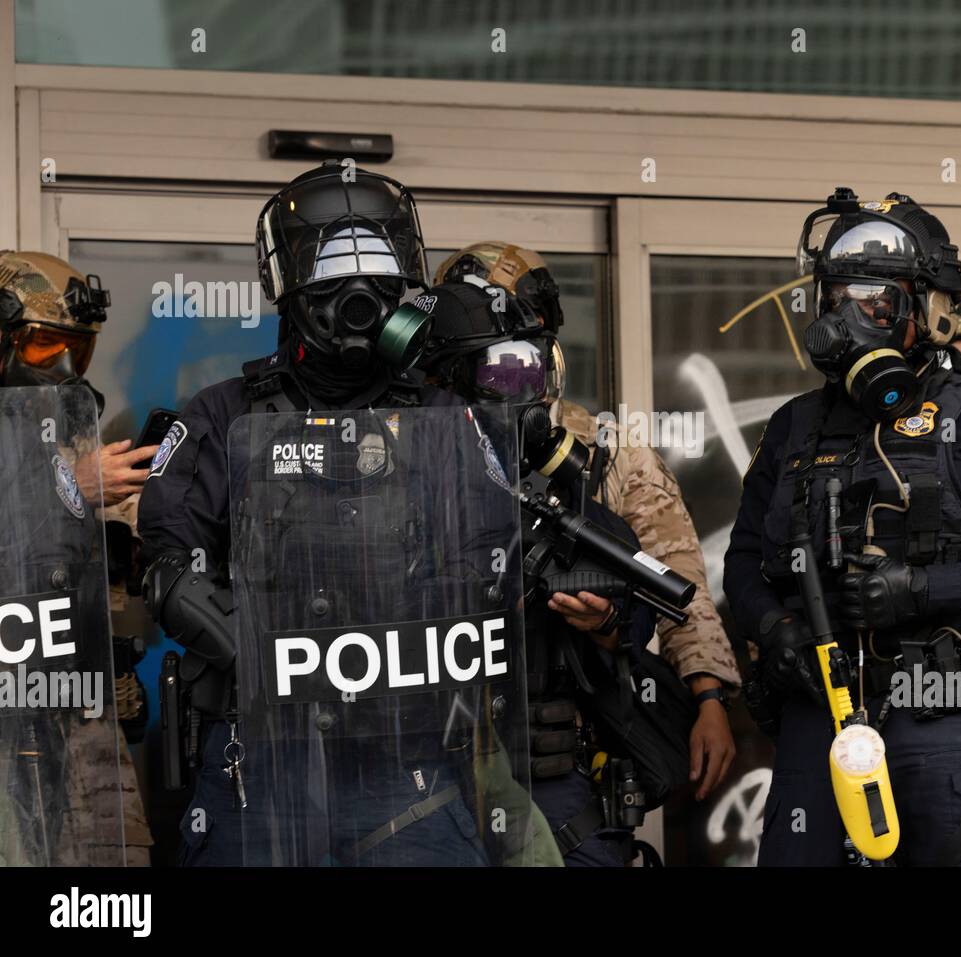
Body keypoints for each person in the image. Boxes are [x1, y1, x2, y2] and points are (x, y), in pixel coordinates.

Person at [136, 162, 537, 866]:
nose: (358, 300)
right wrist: (259, 657)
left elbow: (492, 562)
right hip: (260, 759)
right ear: (290, 286)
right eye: (335, 282)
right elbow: (166, 565)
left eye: (377, 284)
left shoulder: (445, 418)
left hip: (404, 763)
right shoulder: (225, 413)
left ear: (403, 291)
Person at [725, 189, 961, 866]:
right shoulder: (793, 428)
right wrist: (772, 627)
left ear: (930, 313)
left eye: (875, 300)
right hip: (817, 721)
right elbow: (744, 562)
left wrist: (920, 588)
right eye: (837, 299)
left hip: (943, 718)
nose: (849, 319)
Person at [434, 243, 740, 801]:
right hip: (450, 734)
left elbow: (677, 583)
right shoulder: (419, 449)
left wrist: (708, 698)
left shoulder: (609, 450)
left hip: (573, 735)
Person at [421, 272, 681, 866]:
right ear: (448, 382)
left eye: (529, 371)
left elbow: (638, 603)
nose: (521, 391)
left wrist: (607, 621)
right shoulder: (402, 472)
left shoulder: (554, 476)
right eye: (501, 373)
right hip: (423, 769)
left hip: (547, 767)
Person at [0, 250, 152, 865]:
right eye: (43, 347)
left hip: (75, 700)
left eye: (76, 350)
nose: (62, 368)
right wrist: (70, 489)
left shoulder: (73, 423)